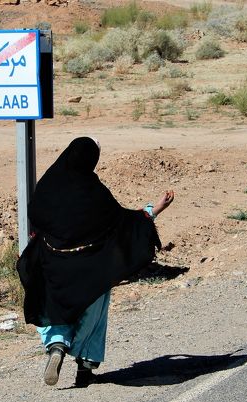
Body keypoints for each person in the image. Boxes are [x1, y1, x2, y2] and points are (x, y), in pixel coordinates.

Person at [16, 137, 174, 386]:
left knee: (51, 304)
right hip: (91, 268)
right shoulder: (94, 192)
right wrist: (153, 210)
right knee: (94, 308)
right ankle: (85, 366)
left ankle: (56, 344)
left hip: (54, 266)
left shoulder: (48, 185)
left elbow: (35, 217)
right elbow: (122, 221)